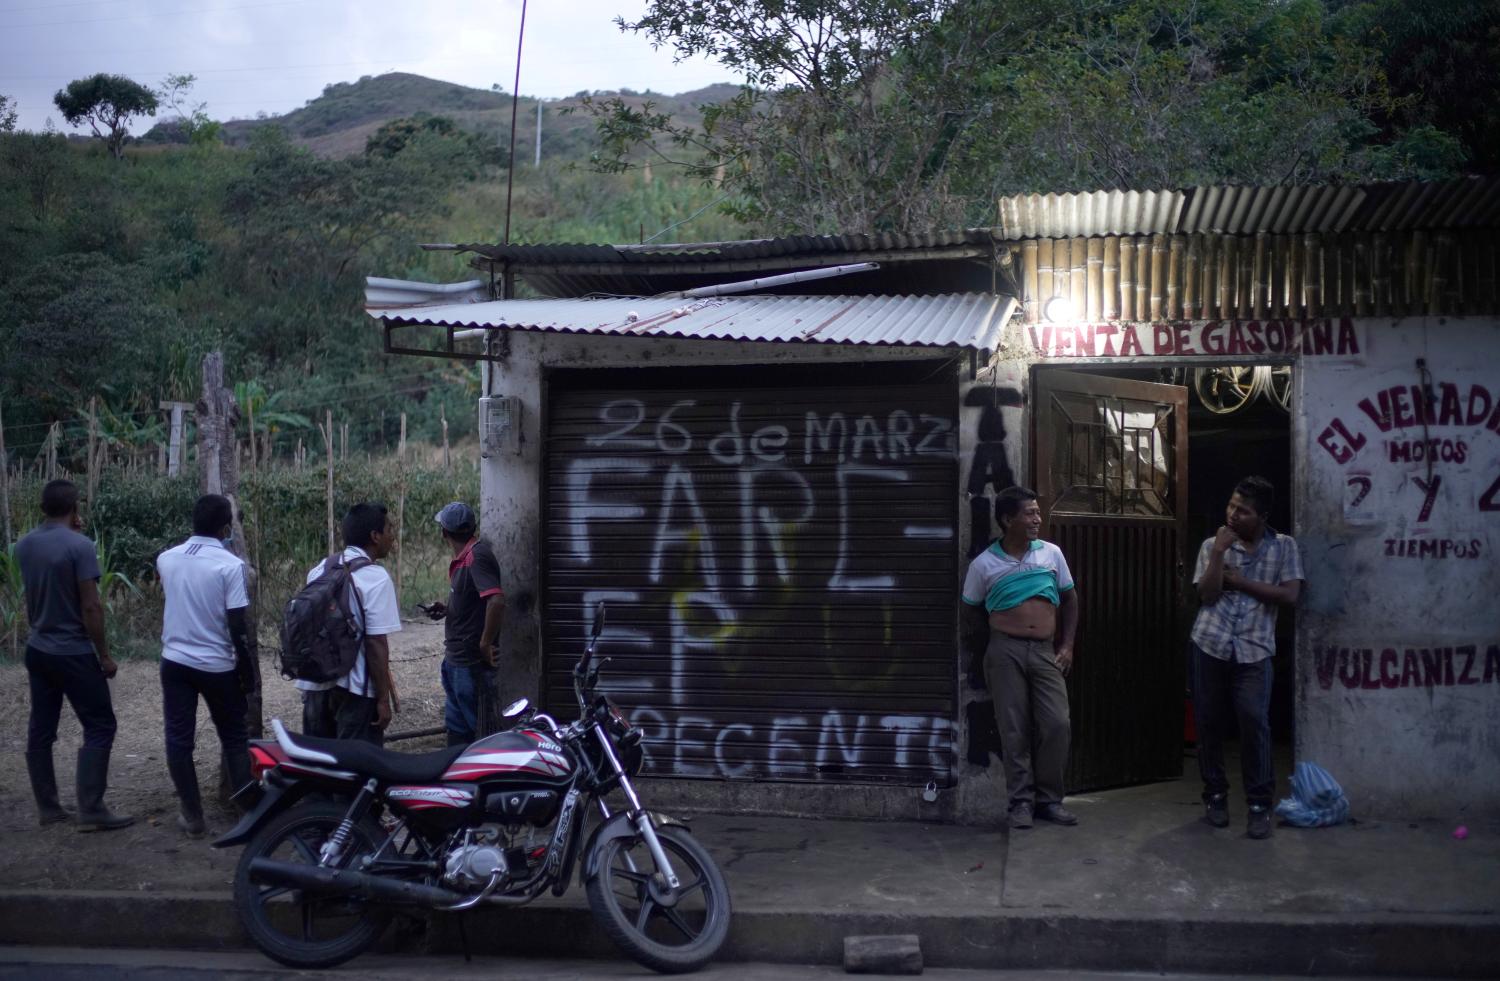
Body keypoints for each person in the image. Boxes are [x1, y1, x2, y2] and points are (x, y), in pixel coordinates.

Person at [16, 479, 134, 831]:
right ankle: (91, 808)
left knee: (41, 728)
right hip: (72, 651)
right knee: (100, 725)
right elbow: (91, 607)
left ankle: (48, 807)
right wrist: (105, 656)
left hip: (38, 648)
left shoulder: (24, 545)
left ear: (42, 508)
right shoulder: (80, 546)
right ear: (75, 508)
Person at [1191, 475, 1303, 840]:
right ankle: (1216, 797)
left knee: (1254, 721)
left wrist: (1238, 582)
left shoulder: (1284, 547)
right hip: (1210, 644)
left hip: (1254, 650)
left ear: (1263, 516)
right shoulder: (1213, 545)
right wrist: (1220, 554)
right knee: (1208, 722)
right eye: (1231, 506)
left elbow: (1289, 596)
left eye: (1244, 510)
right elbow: (1207, 596)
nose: (1233, 515)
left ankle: (1259, 805)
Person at [962, 486, 1080, 830]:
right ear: (1007, 519)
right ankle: (1020, 803)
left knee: (1057, 724)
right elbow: (970, 612)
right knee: (1014, 730)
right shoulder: (984, 564)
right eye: (1029, 513)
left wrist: (1068, 645)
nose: (1036, 519)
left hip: (1045, 651)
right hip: (1004, 651)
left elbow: (1071, 599)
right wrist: (992, 646)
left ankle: (1049, 800)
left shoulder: (1051, 554)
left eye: (1037, 513)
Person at [155, 494, 255, 837]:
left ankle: (192, 814)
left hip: (175, 661)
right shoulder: (230, 566)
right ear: (226, 527)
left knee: (179, 738)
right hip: (217, 666)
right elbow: (237, 626)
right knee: (234, 739)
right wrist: (247, 673)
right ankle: (248, 815)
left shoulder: (167, 559)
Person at [295, 503, 402, 743]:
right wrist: (383, 699)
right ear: (375, 536)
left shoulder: (320, 569)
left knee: (320, 769)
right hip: (355, 691)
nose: (392, 536)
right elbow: (375, 644)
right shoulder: (375, 577)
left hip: (314, 685)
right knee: (358, 770)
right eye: (388, 529)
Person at [423, 502, 505, 746]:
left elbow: (497, 600)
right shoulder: (466, 558)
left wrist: (485, 644)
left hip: (469, 663)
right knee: (458, 730)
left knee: (478, 733)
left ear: (444, 533)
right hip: (456, 660)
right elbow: (478, 602)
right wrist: (449, 609)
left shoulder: (476, 557)